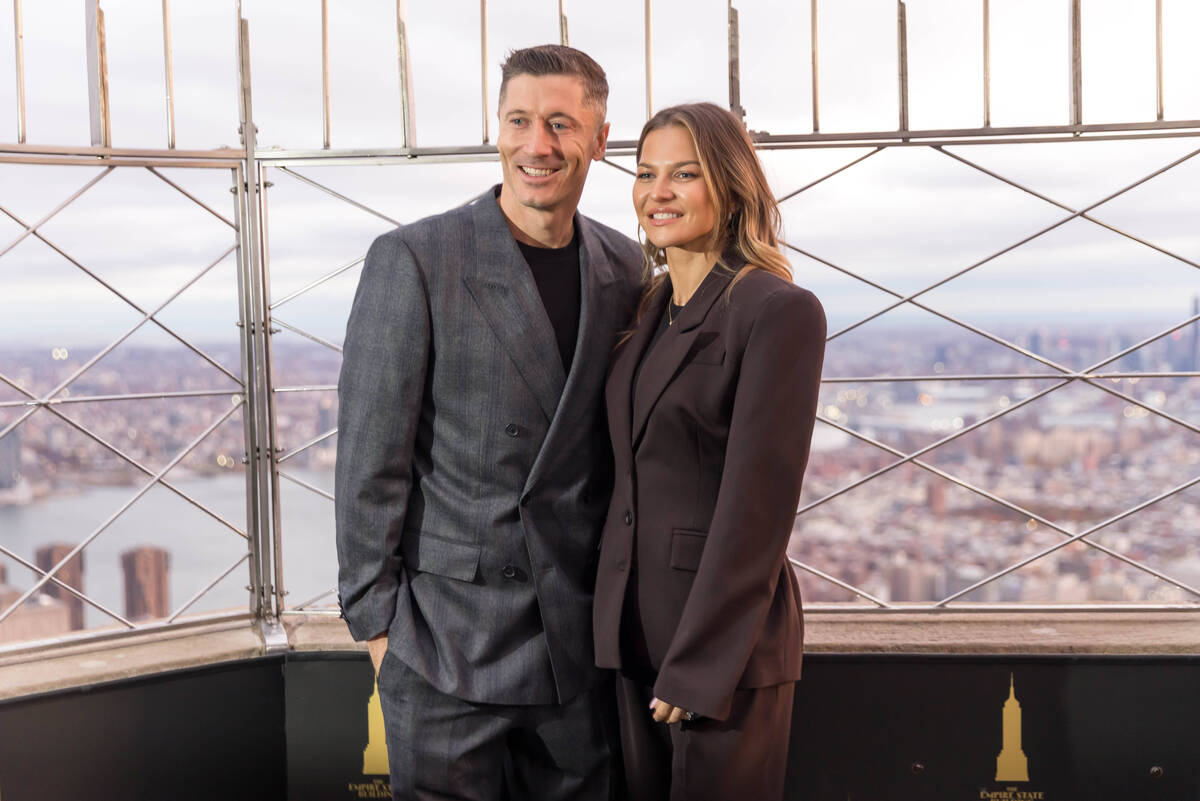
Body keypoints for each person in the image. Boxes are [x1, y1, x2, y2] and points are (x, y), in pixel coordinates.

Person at [335, 45, 643, 800]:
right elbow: (369, 459)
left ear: (600, 140)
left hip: (575, 654)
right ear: (497, 129)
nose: (538, 144)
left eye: (562, 124)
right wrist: (379, 632)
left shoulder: (628, 268)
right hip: (444, 647)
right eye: (520, 120)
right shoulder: (415, 257)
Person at [591, 102, 827, 801]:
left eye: (684, 173)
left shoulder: (777, 309)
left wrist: (701, 665)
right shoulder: (648, 311)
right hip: (631, 633)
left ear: (730, 186)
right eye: (645, 173)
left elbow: (758, 507)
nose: (657, 191)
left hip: (720, 652)